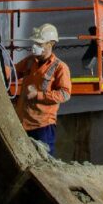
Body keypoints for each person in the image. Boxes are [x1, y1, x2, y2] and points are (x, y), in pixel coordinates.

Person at [13, 23, 71, 157]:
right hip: (22, 123)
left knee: (45, 162)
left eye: (40, 44)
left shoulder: (60, 68)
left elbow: (65, 94)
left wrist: (37, 95)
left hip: (42, 126)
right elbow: (12, 73)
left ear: (50, 44)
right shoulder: (29, 62)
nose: (35, 47)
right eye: (35, 43)